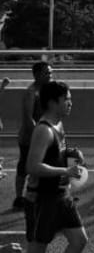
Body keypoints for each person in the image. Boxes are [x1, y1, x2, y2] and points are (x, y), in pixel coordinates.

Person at [4, 81, 90, 253]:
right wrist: (65, 172)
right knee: (36, 251)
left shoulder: (58, 124)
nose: (71, 103)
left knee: (79, 240)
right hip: (43, 200)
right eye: (67, 99)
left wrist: (70, 154)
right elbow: (33, 166)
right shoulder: (43, 129)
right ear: (53, 102)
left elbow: (54, 153)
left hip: (62, 196)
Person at [13, 62, 52, 211]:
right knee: (24, 166)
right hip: (29, 137)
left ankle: (47, 194)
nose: (50, 75)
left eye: (50, 72)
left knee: (45, 164)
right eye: (46, 73)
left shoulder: (46, 90)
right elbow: (29, 118)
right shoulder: (31, 92)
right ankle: (18, 197)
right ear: (36, 75)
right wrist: (39, 135)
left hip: (42, 134)